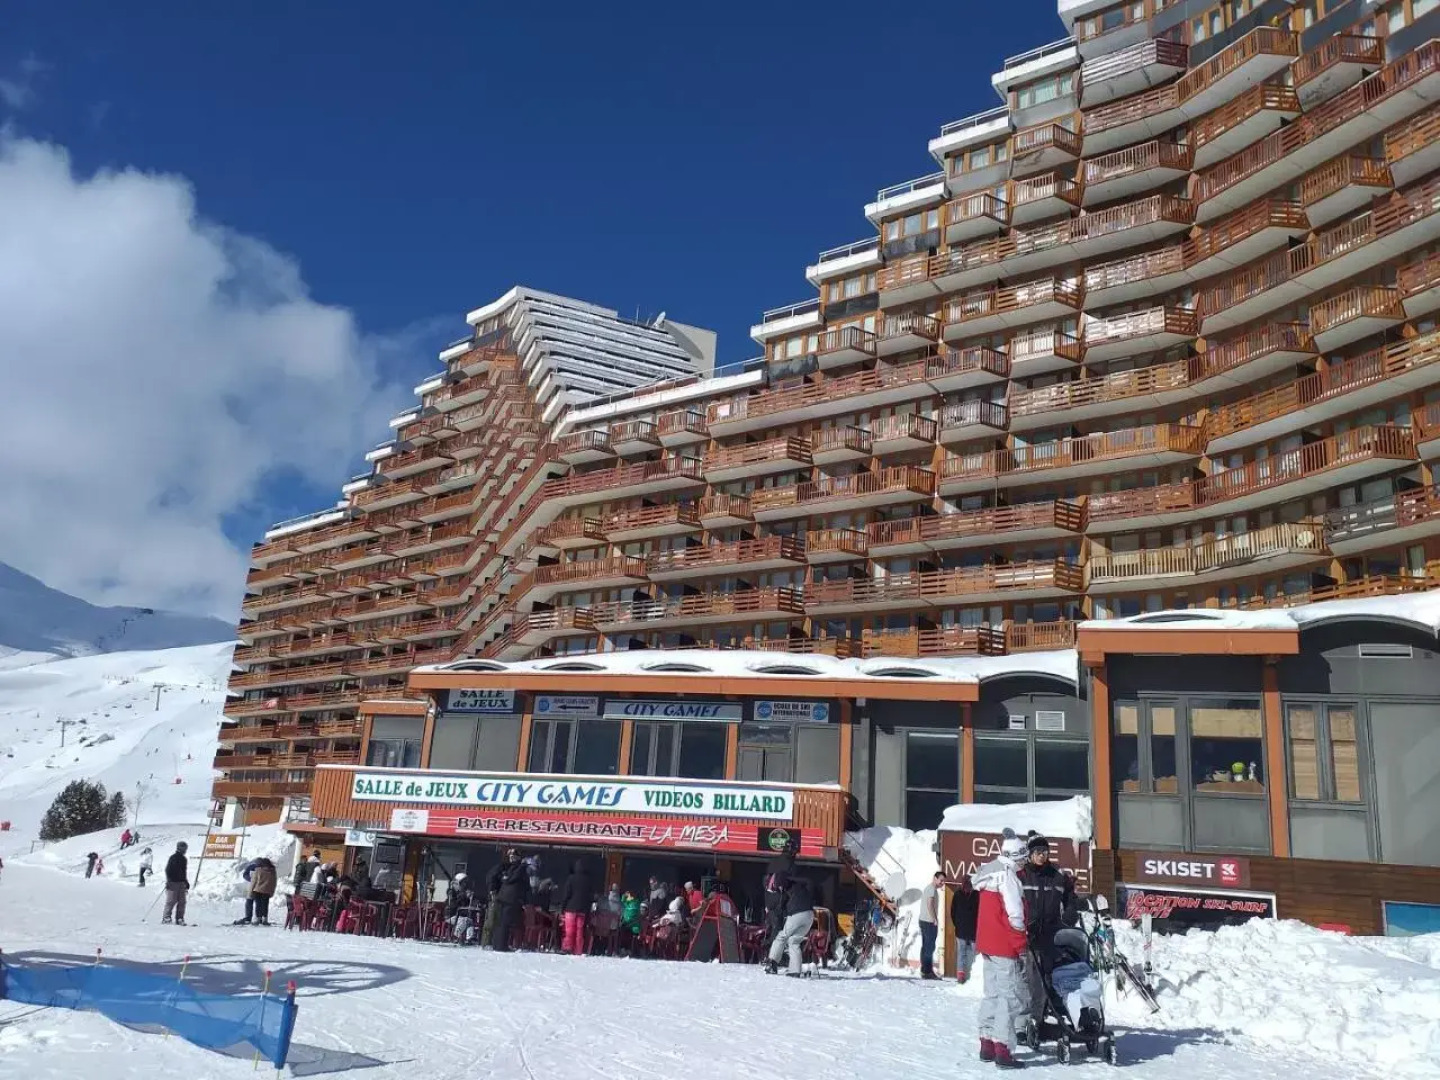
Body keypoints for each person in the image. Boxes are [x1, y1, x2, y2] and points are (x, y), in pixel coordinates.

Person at [972, 831, 1030, 1069]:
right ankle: (1003, 1049)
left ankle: (986, 1042)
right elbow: (1015, 915)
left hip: (987, 943)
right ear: (1015, 857)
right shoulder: (1008, 878)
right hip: (1004, 945)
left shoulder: (989, 874)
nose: (1024, 863)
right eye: (1023, 859)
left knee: (992, 994)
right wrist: (1020, 943)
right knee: (1010, 997)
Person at [1018, 832, 1077, 1031]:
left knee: (1050, 978)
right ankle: (1030, 1020)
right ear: (1030, 854)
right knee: (1031, 980)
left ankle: (1043, 1016)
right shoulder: (1022, 875)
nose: (1041, 855)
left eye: (1044, 851)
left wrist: (1070, 913)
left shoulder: (1057, 875)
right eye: (1037, 852)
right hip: (1028, 935)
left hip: (1051, 934)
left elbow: (1070, 898)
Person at [765, 870, 815, 977]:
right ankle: (795, 970)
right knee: (794, 941)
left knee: (781, 936)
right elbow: (809, 881)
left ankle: (772, 964)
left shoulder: (786, 890)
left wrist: (771, 911)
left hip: (797, 914)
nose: (779, 889)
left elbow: (781, 907)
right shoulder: (800, 886)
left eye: (778, 886)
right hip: (810, 915)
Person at [487, 848, 530, 952]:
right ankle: (500, 946)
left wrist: (505, 879)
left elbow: (508, 879)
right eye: (510, 856)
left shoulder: (515, 867)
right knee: (503, 923)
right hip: (510, 899)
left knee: (502, 922)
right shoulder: (519, 867)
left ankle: (498, 945)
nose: (511, 858)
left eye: (513, 856)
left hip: (505, 897)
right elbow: (512, 878)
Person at [762, 836, 798, 953]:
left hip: (769, 900)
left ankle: (770, 953)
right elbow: (790, 885)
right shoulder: (790, 865)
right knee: (779, 929)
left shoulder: (774, 861)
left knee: (774, 928)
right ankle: (772, 955)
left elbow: (765, 881)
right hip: (780, 901)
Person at [950, 873, 981, 984]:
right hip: (966, 930)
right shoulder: (961, 895)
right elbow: (953, 912)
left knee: (967, 953)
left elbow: (953, 912)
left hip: (969, 930)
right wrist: (957, 924)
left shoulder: (974, 895)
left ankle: (967, 975)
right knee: (969, 953)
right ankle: (966, 975)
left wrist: (957, 924)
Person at [560, 859, 595, 956]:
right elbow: (590, 897)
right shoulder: (588, 881)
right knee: (580, 930)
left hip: (570, 908)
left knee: (569, 929)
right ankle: (578, 949)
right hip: (582, 909)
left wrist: (563, 907)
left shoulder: (571, 878)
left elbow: (566, 894)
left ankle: (568, 948)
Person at [236, 857, 277, 925]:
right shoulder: (273, 871)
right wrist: (272, 891)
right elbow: (274, 882)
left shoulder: (258, 870)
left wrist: (250, 891)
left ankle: (258, 919)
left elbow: (254, 881)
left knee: (258, 905)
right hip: (267, 891)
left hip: (258, 890)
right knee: (265, 905)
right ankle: (264, 919)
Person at [917, 870, 943, 979]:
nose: (942, 883)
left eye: (943, 881)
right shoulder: (931, 889)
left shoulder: (929, 888)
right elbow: (930, 904)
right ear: (935, 878)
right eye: (941, 880)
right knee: (930, 947)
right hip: (928, 922)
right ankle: (927, 971)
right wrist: (934, 919)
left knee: (926, 946)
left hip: (924, 921)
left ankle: (924, 970)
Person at [162, 841, 190, 926]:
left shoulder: (184, 859)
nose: (185, 850)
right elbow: (167, 870)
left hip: (181, 882)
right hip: (173, 882)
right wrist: (169, 880)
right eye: (183, 848)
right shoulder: (173, 858)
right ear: (179, 848)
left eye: (185, 848)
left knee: (182, 901)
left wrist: (186, 881)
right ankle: (166, 917)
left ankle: (180, 918)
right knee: (171, 900)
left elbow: (184, 872)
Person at [445, 872, 478, 943]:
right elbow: (453, 906)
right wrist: (463, 897)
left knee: (470, 921)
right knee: (465, 920)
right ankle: (455, 936)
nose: (465, 885)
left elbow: (472, 903)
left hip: (461, 916)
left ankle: (470, 938)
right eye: (463, 883)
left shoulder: (464, 893)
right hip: (451, 916)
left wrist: (471, 898)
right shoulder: (452, 893)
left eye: (466, 883)